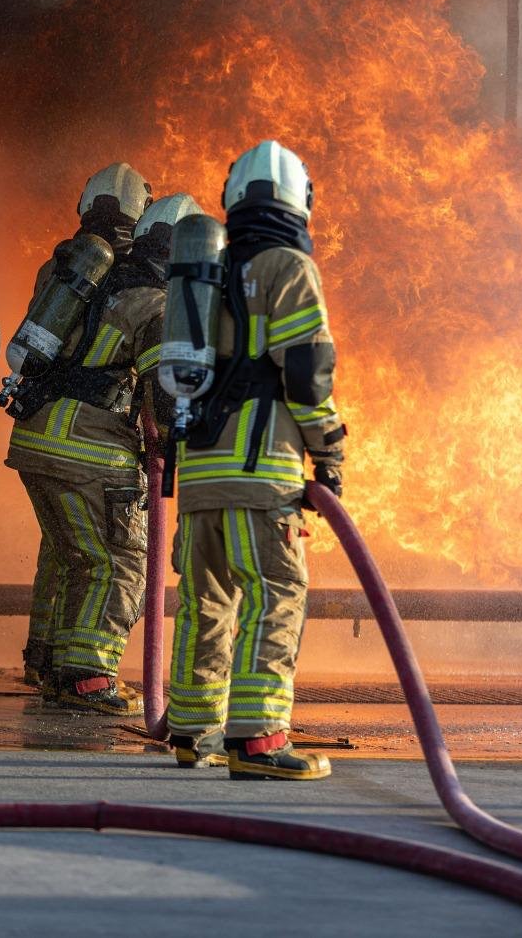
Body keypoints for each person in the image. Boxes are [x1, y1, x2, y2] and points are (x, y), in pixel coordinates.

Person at [165, 141, 346, 779]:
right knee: (276, 592)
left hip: (199, 473)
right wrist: (328, 449)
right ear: (300, 200)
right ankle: (259, 739)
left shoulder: (203, 272)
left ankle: (190, 729)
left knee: (204, 600)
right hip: (260, 468)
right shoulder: (287, 266)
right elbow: (305, 371)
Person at [2, 169, 186, 716]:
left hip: (36, 433)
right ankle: (88, 675)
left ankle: (51, 663)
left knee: (69, 553)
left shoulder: (71, 275)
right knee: (118, 560)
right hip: (90, 448)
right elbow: (164, 396)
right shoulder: (154, 301)